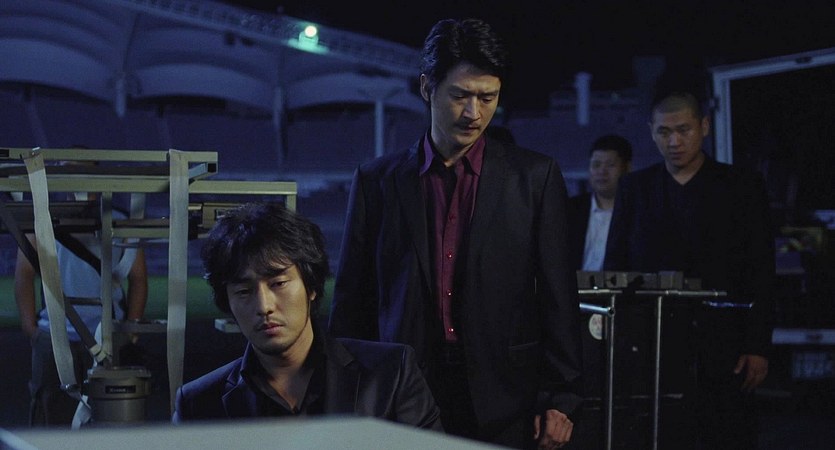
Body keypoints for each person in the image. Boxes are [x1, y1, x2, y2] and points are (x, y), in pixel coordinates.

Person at [328, 18, 583, 449]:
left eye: (488, 98)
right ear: (427, 88)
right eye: (460, 95)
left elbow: (558, 296)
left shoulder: (534, 178)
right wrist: (344, 393)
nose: (473, 113)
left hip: (506, 395)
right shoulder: (377, 181)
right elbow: (353, 300)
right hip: (401, 392)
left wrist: (562, 397)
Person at [172, 202, 442, 431]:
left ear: (311, 287)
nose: (264, 306)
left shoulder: (391, 374)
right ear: (227, 302)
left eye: (278, 283)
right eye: (243, 291)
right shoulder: (198, 404)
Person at [603, 89, 774, 449]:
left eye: (683, 130)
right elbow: (615, 267)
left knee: (726, 435)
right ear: (651, 132)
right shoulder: (636, 188)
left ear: (704, 127)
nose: (674, 142)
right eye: (664, 132)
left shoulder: (740, 186)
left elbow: (760, 269)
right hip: (652, 344)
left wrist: (758, 344)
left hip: (725, 343)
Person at [15, 195, 148, 427]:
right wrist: (31, 328)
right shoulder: (43, 219)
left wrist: (130, 332)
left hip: (107, 336)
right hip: (55, 336)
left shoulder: (120, 220)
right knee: (50, 421)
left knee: (110, 420)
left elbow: (138, 279)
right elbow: (24, 274)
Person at [567, 134, 632, 271]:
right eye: (596, 165)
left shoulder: (639, 213)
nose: (602, 172)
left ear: (627, 168)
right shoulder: (568, 210)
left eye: (610, 165)